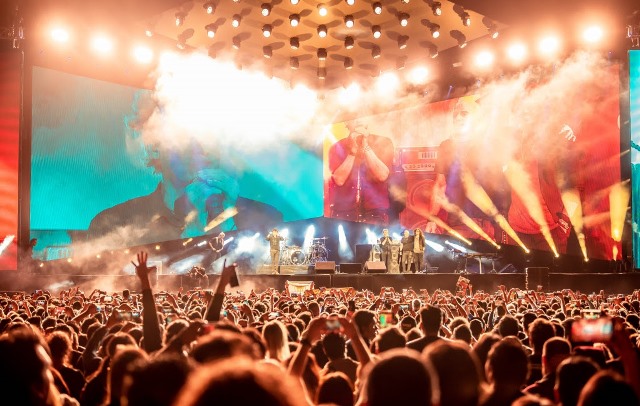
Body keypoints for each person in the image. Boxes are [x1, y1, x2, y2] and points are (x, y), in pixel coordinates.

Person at [87, 139, 282, 247]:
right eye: (187, 137)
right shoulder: (112, 223)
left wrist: (228, 215)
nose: (203, 150)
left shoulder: (269, 217)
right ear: (155, 148)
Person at [426, 97, 505, 241]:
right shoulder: (446, 146)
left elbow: (501, 185)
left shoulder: (487, 144)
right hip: (458, 222)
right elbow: (440, 184)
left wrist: (499, 220)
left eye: (464, 113)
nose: (458, 117)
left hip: (486, 222)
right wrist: (432, 218)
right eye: (455, 114)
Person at [327, 120, 394, 225]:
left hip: (375, 213)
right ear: (346, 123)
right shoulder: (337, 146)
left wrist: (366, 146)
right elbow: (339, 180)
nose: (358, 119)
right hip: (344, 213)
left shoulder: (383, 142)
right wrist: (352, 153)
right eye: (353, 117)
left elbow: (382, 175)